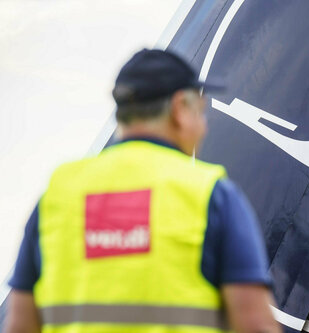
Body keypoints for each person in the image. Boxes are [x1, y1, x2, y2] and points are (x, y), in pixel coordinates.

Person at [3, 49, 282, 333]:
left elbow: (19, 326)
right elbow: (255, 326)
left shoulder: (57, 196)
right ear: (179, 110)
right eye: (201, 112)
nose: (204, 127)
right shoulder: (211, 195)